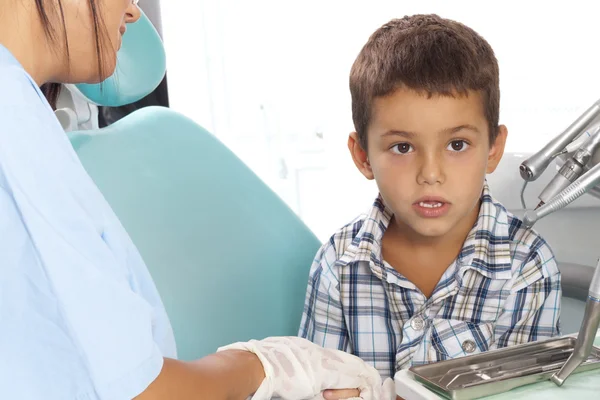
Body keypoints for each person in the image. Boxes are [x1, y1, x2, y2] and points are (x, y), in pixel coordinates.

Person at [0, 1, 395, 399]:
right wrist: (270, 365)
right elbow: (142, 393)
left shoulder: (24, 118)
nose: (134, 13)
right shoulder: (13, 125)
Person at [299, 14, 562, 380]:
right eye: (403, 147)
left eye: (457, 144)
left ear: (492, 149)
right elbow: (315, 386)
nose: (431, 173)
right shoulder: (337, 266)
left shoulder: (526, 265)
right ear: (363, 156)